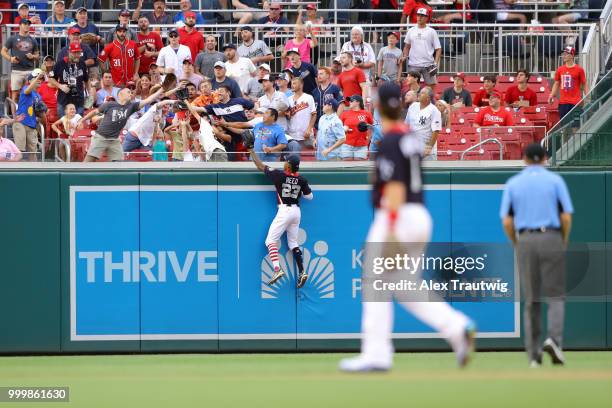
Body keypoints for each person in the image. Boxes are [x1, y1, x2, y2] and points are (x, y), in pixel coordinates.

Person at [339, 82, 475, 372]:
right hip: (419, 215)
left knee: (374, 283)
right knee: (405, 287)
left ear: (378, 105)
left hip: (397, 215)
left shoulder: (389, 140)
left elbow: (396, 187)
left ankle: (376, 353)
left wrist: (390, 229)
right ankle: (456, 327)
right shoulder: (409, 136)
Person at [500, 143, 573, 367]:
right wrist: (563, 239)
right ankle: (554, 341)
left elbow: (507, 220)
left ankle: (534, 355)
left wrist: (516, 242)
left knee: (531, 299)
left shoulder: (514, 183)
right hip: (551, 236)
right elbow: (566, 216)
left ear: (524, 159)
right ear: (544, 158)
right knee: (556, 296)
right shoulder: (555, 180)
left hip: (525, 239)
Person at [248, 149, 313, 288]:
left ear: (288, 166)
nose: (284, 164)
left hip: (285, 210)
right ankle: (302, 271)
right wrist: (297, 189)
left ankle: (277, 269)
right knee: (293, 244)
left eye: (286, 162)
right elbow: (309, 196)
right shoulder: (301, 179)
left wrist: (251, 151)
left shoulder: (279, 175)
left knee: (270, 241)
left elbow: (260, 165)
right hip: (296, 211)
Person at [77, 87, 165, 161]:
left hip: (114, 140)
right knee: (89, 160)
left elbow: (148, 100)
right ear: (120, 94)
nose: (131, 94)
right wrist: (82, 120)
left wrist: (161, 89)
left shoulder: (131, 106)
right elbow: (94, 112)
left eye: (131, 92)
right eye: (128, 92)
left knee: (118, 163)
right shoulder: (110, 104)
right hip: (101, 137)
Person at [203, 84, 254, 158]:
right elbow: (198, 110)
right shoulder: (215, 106)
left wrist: (224, 124)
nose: (219, 93)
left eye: (221, 91)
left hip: (246, 138)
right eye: (218, 91)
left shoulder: (239, 100)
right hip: (232, 142)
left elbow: (252, 106)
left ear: (228, 93)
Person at [1, 19, 40, 101]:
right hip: (16, 71)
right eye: (24, 24)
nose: (27, 25)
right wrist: (10, 58)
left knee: (31, 93)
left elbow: (37, 55)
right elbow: (3, 51)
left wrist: (32, 56)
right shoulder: (12, 38)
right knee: (15, 94)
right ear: (20, 25)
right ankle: (15, 114)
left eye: (28, 24)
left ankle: (29, 114)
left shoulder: (33, 40)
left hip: (30, 71)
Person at [403, 8, 441, 87]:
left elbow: (438, 49)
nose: (419, 17)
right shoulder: (410, 30)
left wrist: (435, 63)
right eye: (418, 15)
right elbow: (406, 47)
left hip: (428, 65)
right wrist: (404, 57)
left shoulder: (431, 31)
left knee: (431, 88)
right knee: (412, 89)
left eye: (422, 16)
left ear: (427, 18)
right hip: (413, 64)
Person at [49, 41, 89, 117]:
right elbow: (51, 78)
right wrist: (60, 86)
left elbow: (86, 80)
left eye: (79, 53)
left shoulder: (82, 63)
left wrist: (90, 95)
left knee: (77, 125)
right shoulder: (60, 63)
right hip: (63, 101)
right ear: (69, 52)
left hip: (78, 101)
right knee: (64, 125)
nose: (77, 55)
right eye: (75, 53)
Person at [13, 69, 45, 160]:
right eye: (36, 78)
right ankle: (16, 171)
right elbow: (27, 91)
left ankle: (34, 173)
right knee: (19, 150)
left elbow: (37, 112)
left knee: (33, 151)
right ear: (30, 81)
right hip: (21, 122)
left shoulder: (38, 96)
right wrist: (39, 75)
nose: (39, 80)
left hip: (32, 124)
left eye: (41, 79)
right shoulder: (25, 88)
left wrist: (41, 114)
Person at [549, 46, 588, 120]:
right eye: (563, 54)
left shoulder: (579, 70)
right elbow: (556, 83)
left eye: (566, 54)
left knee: (576, 126)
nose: (564, 55)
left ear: (572, 55)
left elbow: (584, 84)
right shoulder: (560, 69)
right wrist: (551, 95)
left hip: (576, 102)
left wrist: (588, 97)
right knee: (564, 125)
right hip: (563, 102)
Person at [406, 87, 442, 160]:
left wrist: (429, 147)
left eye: (422, 93)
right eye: (420, 92)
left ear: (428, 98)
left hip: (426, 150)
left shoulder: (434, 110)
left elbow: (436, 131)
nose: (419, 94)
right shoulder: (413, 106)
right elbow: (406, 124)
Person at [286, 77, 317, 148]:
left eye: (294, 83)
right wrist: (287, 115)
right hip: (292, 134)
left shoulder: (309, 97)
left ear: (301, 85)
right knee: (294, 157)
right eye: (291, 84)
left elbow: (314, 114)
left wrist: (309, 129)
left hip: (306, 134)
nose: (292, 85)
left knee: (309, 156)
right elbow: (288, 117)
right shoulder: (288, 99)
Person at [340, 95, 372, 161]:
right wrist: (344, 130)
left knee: (359, 168)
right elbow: (338, 129)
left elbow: (372, 127)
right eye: (349, 101)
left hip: (361, 145)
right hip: (347, 145)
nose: (349, 102)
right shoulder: (344, 114)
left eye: (351, 101)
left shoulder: (366, 113)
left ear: (358, 102)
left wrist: (368, 140)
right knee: (347, 167)